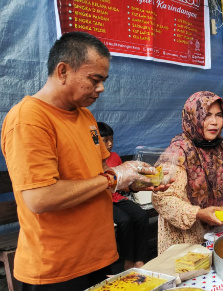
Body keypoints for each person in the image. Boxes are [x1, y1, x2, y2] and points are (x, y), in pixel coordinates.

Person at [0, 32, 170, 290]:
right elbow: (39, 198)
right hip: (57, 269)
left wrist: (137, 181)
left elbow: (99, 174)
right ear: (63, 70)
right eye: (95, 79)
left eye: (103, 80)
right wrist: (114, 177)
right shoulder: (29, 119)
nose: (101, 88)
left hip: (99, 256)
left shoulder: (87, 117)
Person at [152, 91, 223, 254]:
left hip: (216, 233)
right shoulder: (177, 153)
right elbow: (162, 198)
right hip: (185, 240)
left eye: (218, 115)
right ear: (193, 117)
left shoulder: (222, 147)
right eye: (207, 115)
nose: (214, 122)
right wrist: (198, 213)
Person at [97, 122, 149, 270]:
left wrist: (138, 185)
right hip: (103, 201)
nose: (110, 144)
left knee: (141, 216)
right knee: (125, 221)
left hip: (117, 197)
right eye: (105, 140)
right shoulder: (91, 159)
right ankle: (127, 260)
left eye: (111, 139)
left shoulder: (115, 157)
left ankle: (140, 260)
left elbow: (122, 185)